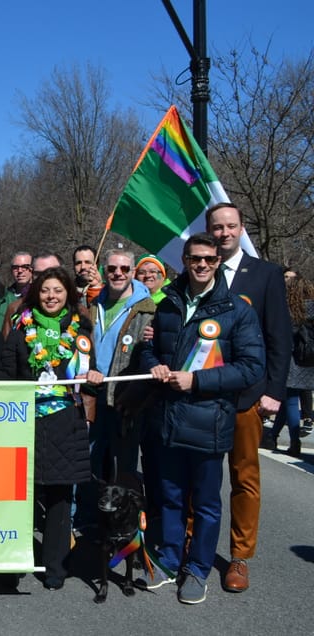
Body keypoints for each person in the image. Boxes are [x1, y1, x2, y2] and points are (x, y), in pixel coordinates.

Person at [135, 233, 264, 604]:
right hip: (169, 419)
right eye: (195, 259)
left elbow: (251, 367)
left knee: (206, 503)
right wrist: (154, 365)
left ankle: (198, 569)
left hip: (210, 422)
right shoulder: (169, 304)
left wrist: (198, 379)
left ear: (217, 262)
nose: (202, 265)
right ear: (185, 261)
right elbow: (149, 348)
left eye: (209, 259)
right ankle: (171, 559)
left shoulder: (237, 310)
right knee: (171, 498)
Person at [207, 203, 291, 593]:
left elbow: (280, 337)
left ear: (241, 229)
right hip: (204, 394)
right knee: (201, 477)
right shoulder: (197, 271)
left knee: (244, 478)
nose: (224, 233)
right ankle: (196, 546)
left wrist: (274, 391)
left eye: (230, 227)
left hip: (247, 396)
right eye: (217, 227)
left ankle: (239, 556)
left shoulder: (266, 274)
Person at [1, 267, 93, 590]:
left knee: (59, 498)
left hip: (64, 422)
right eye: (45, 291)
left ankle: (55, 567)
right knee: (19, 496)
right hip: (25, 420)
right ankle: (16, 558)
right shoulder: (20, 328)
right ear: (36, 294)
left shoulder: (80, 330)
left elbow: (87, 373)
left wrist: (92, 376)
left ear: (67, 293)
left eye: (57, 290)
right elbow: (7, 372)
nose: (51, 297)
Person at [88, 249, 155, 481]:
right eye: (112, 268)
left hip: (124, 400)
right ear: (104, 271)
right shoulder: (91, 304)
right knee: (89, 466)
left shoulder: (148, 310)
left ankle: (124, 517)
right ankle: (88, 517)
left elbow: (150, 356)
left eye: (125, 269)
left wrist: (134, 398)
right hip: (91, 395)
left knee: (122, 470)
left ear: (133, 272)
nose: (118, 273)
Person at [270, 275, 314, 457]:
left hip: (292, 360)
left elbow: (286, 338)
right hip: (309, 361)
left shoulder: (292, 311)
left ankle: (294, 440)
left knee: (289, 400)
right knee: (286, 401)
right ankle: (273, 435)